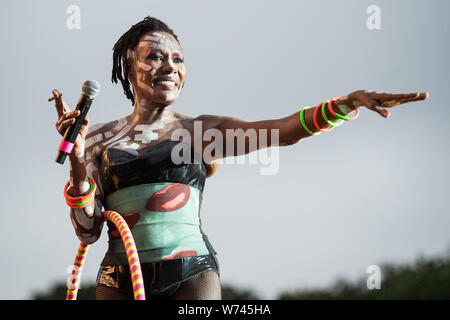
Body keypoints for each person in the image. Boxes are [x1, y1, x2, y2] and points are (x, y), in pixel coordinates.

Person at [50, 16, 428, 300]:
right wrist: (78, 160)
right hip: (118, 278)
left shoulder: (201, 131)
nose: (169, 66)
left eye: (178, 59)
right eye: (156, 57)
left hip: (191, 275)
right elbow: (87, 231)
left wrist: (344, 105)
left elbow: (282, 131)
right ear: (130, 67)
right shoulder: (97, 139)